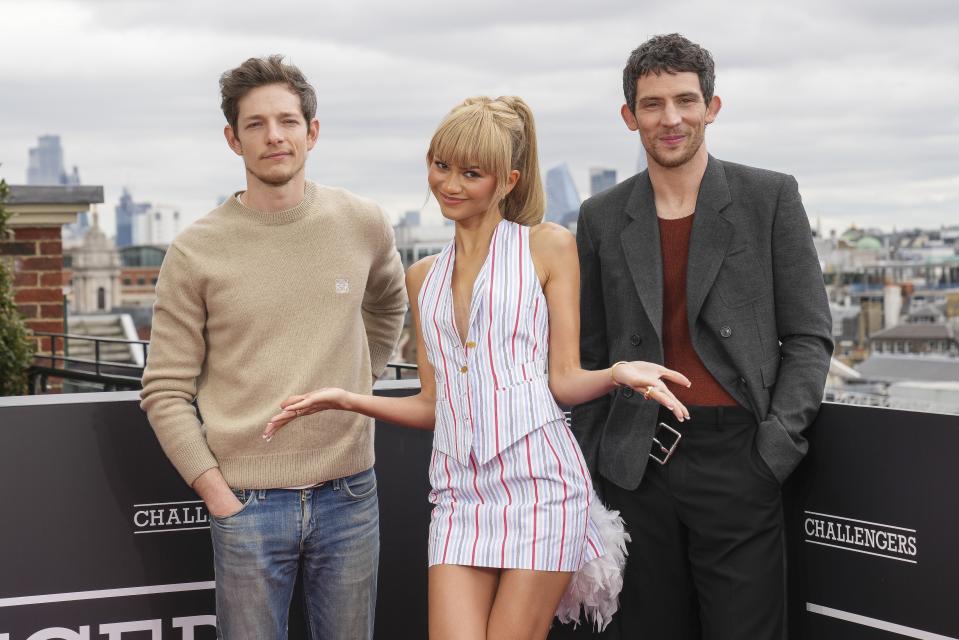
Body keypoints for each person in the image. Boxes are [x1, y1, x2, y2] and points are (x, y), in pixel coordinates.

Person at [263, 96, 691, 640]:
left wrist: (616, 372)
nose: (450, 184)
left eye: (471, 172)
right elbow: (432, 406)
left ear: (508, 180)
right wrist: (348, 398)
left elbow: (562, 380)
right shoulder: (422, 277)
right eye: (441, 166)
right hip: (459, 494)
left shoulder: (548, 247)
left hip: (542, 488)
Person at [572, 34, 834, 639]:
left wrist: (773, 452)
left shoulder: (768, 197)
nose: (671, 119)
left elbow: (809, 336)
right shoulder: (601, 216)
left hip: (739, 456)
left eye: (686, 101)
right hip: (636, 464)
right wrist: (592, 474)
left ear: (712, 107)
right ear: (629, 116)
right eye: (653, 104)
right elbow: (588, 353)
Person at [139, 55, 407, 640]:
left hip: (350, 492)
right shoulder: (194, 252)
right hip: (246, 502)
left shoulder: (362, 222)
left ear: (312, 132)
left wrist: (359, 384)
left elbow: (389, 304)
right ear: (233, 140)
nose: (274, 136)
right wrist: (218, 493)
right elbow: (163, 389)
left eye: (287, 120)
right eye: (256, 124)